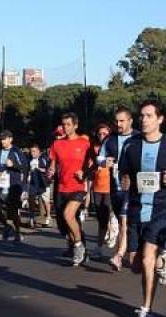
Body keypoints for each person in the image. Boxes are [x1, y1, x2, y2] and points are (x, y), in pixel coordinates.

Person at [119, 100, 166, 317]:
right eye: (141, 116)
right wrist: (125, 181)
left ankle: (146, 310)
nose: (144, 119)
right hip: (137, 208)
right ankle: (163, 260)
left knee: (148, 255)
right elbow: (123, 173)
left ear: (160, 119)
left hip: (162, 208)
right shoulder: (130, 145)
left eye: (149, 116)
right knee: (135, 264)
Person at [48, 112, 91, 266]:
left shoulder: (84, 143)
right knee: (65, 224)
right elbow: (53, 164)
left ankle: (78, 246)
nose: (65, 127)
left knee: (68, 215)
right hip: (61, 188)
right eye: (63, 124)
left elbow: (91, 164)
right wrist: (50, 172)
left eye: (68, 124)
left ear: (75, 125)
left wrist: (84, 173)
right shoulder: (57, 144)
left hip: (78, 187)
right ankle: (80, 246)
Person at [97, 106, 137, 270]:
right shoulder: (110, 139)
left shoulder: (138, 137)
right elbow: (99, 156)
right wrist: (103, 162)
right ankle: (131, 252)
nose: (118, 124)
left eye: (122, 121)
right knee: (123, 222)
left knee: (125, 220)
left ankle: (119, 254)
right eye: (117, 121)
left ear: (130, 121)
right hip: (115, 187)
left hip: (134, 188)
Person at [0, 130, 28, 242]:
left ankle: (17, 230)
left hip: (13, 185)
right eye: (1, 139)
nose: (2, 141)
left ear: (10, 139)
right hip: (1, 184)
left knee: (12, 211)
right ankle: (7, 226)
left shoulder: (16, 151)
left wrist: (13, 165)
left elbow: (25, 167)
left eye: (4, 139)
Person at [90, 123, 116, 259]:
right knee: (101, 218)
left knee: (107, 214)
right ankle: (110, 227)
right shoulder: (94, 148)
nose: (101, 136)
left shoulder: (113, 147)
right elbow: (90, 165)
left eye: (104, 134)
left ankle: (100, 246)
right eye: (99, 134)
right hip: (97, 187)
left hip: (110, 187)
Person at [28, 144, 52, 228]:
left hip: (43, 183)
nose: (32, 153)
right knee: (31, 200)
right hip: (33, 183)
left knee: (46, 201)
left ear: (39, 152)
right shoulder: (29, 160)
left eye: (34, 151)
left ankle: (48, 217)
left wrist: (39, 169)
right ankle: (31, 218)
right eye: (31, 151)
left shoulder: (44, 159)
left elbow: (49, 170)